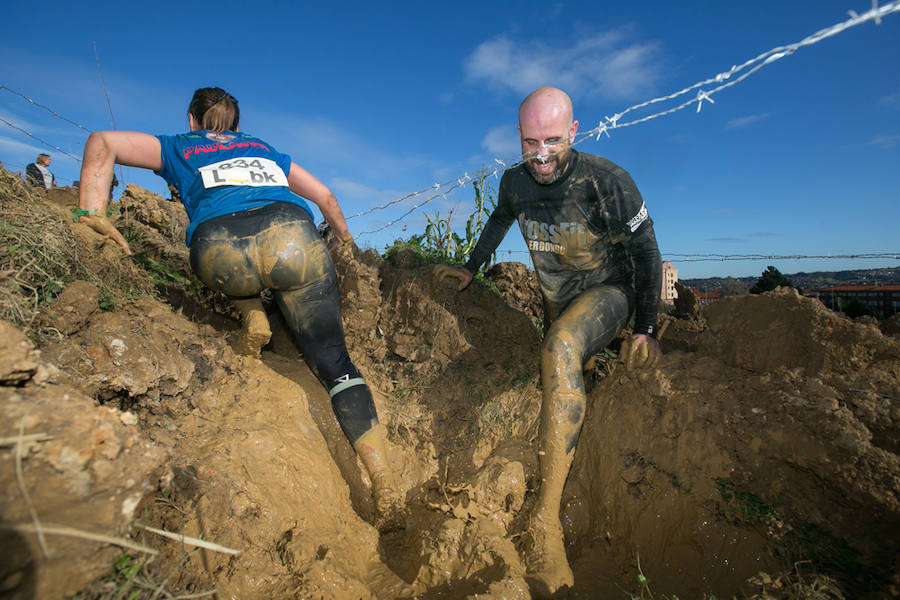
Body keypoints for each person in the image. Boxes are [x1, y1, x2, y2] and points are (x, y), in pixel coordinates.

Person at [75, 86, 400, 518]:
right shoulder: (264, 150)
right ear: (238, 125)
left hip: (220, 249)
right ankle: (383, 480)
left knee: (235, 268)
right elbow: (326, 198)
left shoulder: (177, 145)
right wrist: (344, 241)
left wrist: (91, 213)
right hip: (292, 241)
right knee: (336, 364)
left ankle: (251, 309)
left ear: (192, 120)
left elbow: (102, 141)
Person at [435, 87, 662, 593]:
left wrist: (645, 328)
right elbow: (498, 220)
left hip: (610, 293)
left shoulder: (606, 180)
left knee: (559, 346)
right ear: (518, 136)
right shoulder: (515, 182)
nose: (541, 154)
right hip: (558, 300)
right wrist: (471, 268)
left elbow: (647, 252)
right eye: (531, 141)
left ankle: (545, 520)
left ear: (575, 132)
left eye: (553, 141)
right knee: (563, 353)